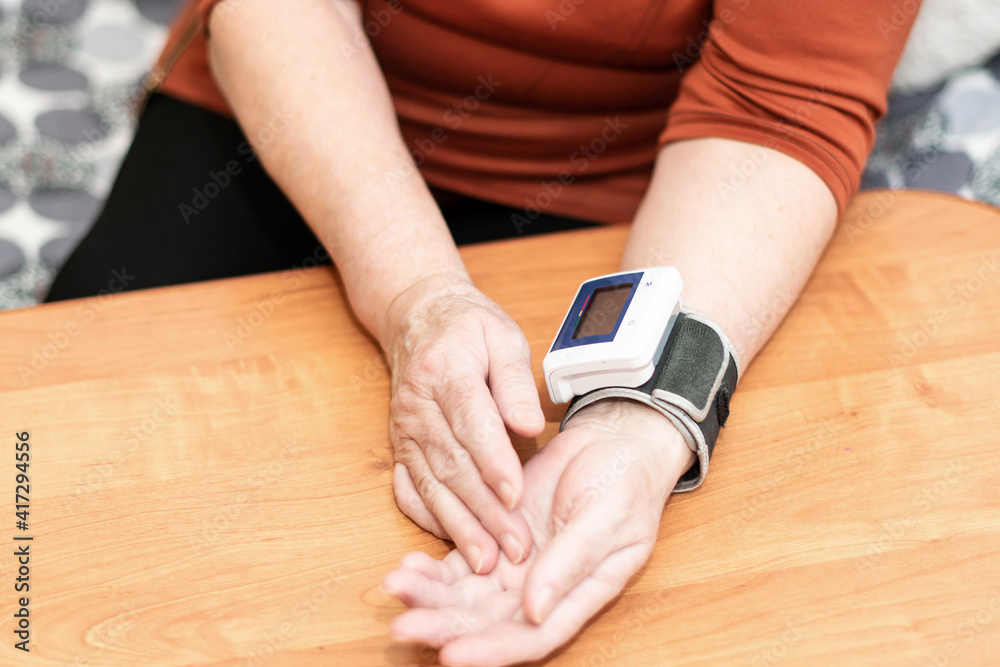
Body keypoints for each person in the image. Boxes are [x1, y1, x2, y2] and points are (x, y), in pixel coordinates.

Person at [46, 1, 917, 664]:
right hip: (295, 94)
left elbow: (780, 99)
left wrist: (639, 416)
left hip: (642, 172)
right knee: (70, 461)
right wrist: (416, 293)